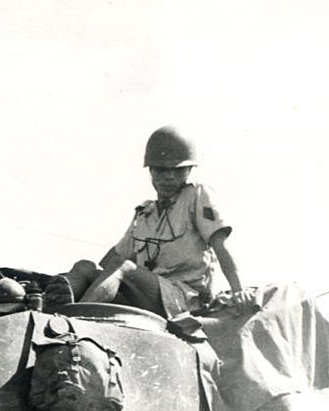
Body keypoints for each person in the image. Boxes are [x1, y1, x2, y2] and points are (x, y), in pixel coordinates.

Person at [69, 126, 252, 317]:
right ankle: (47, 314)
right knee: (85, 267)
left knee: (123, 267)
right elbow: (113, 258)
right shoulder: (145, 213)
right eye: (161, 170)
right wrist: (86, 278)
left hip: (185, 298)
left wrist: (238, 289)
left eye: (178, 170)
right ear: (150, 170)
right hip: (149, 293)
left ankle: (73, 322)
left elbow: (220, 245)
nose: (169, 177)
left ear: (189, 170)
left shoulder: (196, 196)